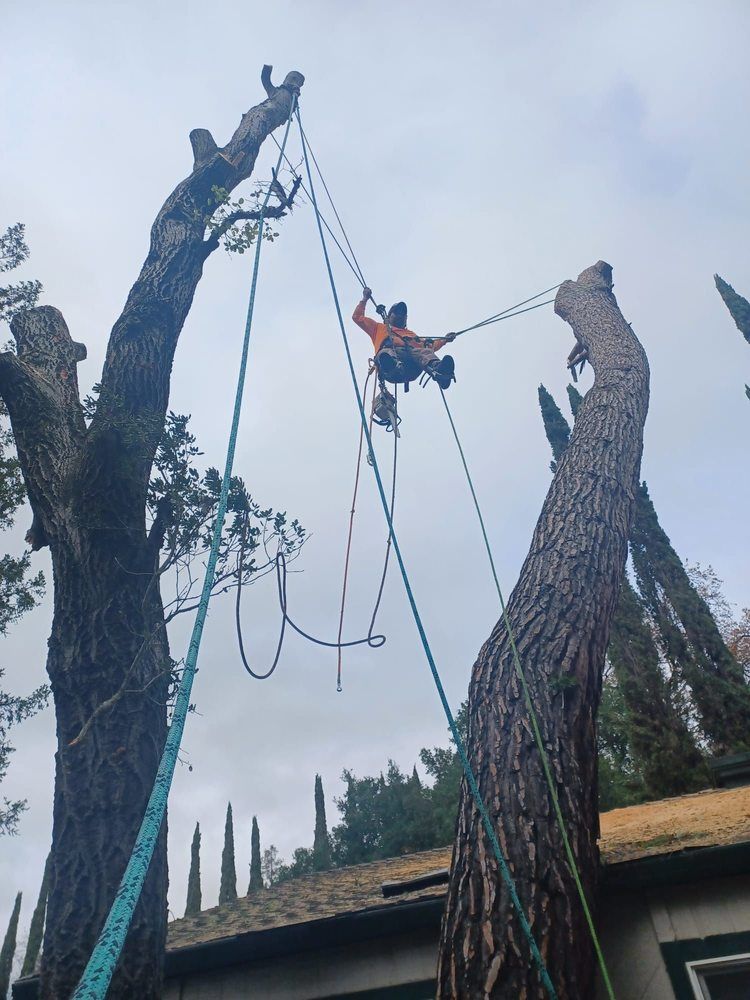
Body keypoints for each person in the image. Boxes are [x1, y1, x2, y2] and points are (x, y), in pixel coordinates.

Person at [352, 289, 457, 390]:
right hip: (392, 366)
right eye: (397, 312)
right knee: (386, 352)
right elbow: (357, 317)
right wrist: (364, 299)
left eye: (402, 314)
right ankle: (391, 365)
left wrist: (445, 340)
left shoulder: (411, 335)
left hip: (412, 366)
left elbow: (430, 346)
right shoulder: (378, 328)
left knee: (423, 351)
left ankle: (440, 370)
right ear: (388, 317)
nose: (400, 315)